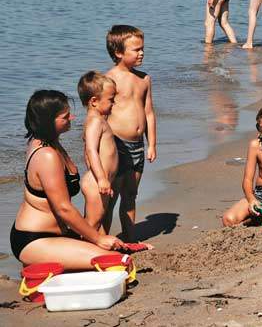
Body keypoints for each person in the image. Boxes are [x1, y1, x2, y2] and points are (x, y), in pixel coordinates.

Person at [10, 90, 123, 268]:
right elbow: (63, 208)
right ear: (48, 122)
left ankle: (52, 267)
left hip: (56, 235)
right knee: (116, 262)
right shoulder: (46, 155)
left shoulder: (50, 142)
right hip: (34, 239)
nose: (72, 118)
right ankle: (36, 271)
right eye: (65, 116)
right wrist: (98, 238)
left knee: (116, 256)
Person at [104, 25, 157, 242]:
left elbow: (149, 113)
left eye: (142, 48)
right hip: (116, 145)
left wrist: (152, 143)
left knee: (131, 195)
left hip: (137, 146)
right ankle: (102, 239)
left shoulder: (144, 79)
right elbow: (98, 117)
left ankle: (129, 238)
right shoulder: (108, 80)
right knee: (111, 196)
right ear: (118, 52)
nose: (141, 53)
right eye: (136, 50)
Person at [77, 71, 118, 231]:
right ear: (94, 101)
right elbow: (91, 150)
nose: (113, 103)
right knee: (91, 224)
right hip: (96, 181)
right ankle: (77, 251)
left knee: (97, 221)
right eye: (110, 100)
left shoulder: (98, 119)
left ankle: (96, 248)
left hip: (100, 180)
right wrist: (101, 178)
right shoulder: (95, 121)